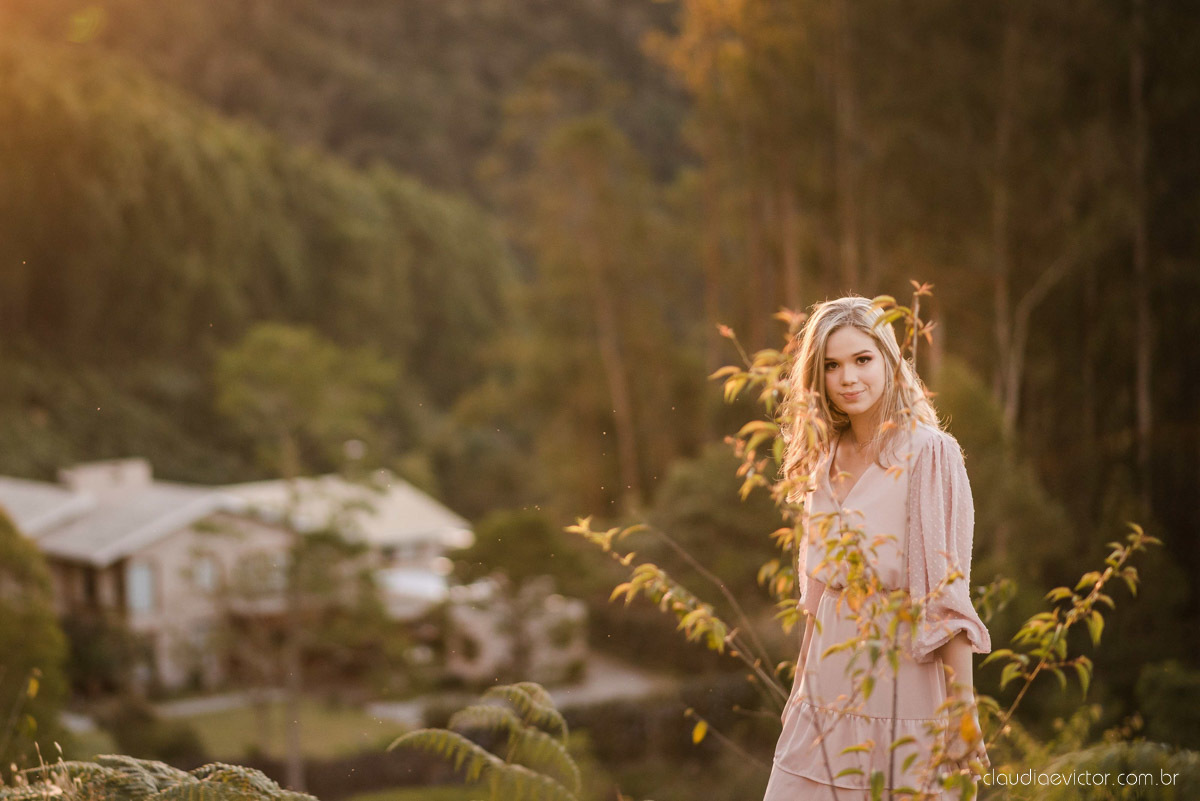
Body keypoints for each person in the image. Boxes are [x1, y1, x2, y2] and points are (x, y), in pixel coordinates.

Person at [762, 296, 992, 800]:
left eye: (862, 359)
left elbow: (947, 596)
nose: (848, 378)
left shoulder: (929, 453)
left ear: (888, 360)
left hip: (903, 679)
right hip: (826, 685)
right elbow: (819, 593)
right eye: (832, 366)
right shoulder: (824, 460)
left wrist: (963, 711)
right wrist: (800, 688)